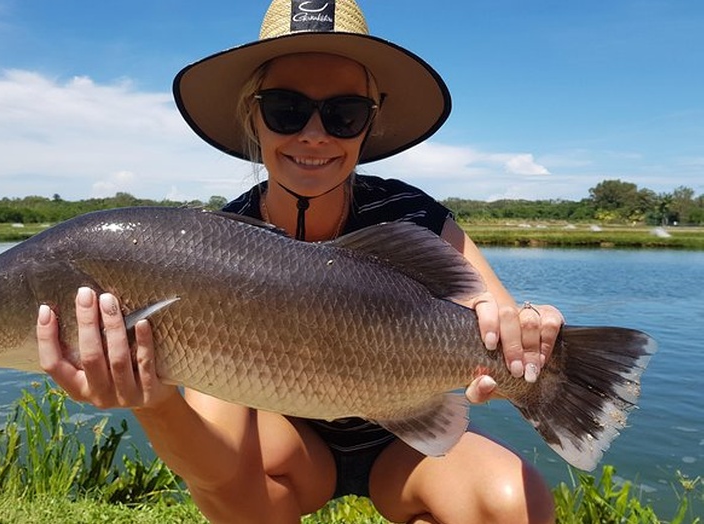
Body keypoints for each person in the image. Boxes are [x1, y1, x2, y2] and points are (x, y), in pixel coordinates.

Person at [36, 1, 563, 522]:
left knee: (512, 505)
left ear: (369, 122)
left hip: (402, 444)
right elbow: (217, 472)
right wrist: (154, 403)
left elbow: (498, 323)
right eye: (285, 109)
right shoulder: (209, 245)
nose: (314, 134)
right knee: (235, 495)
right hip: (290, 448)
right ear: (253, 115)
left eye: (344, 114)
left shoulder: (413, 216)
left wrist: (529, 339)